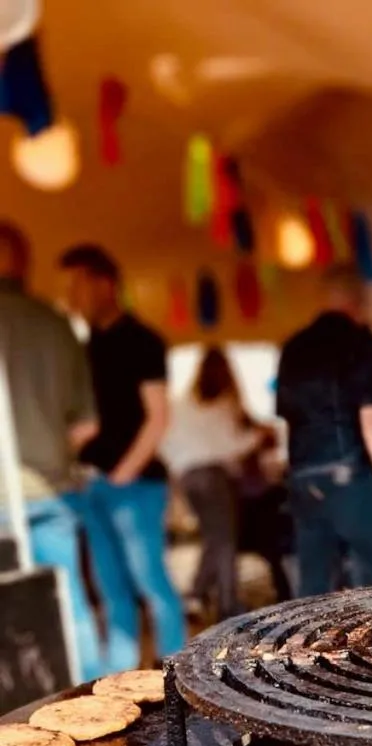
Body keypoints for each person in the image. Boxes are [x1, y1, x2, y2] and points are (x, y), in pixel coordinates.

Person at [58, 244, 185, 671]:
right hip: (91, 484)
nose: (71, 297)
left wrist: (122, 473)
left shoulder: (142, 340)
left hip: (135, 485)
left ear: (104, 284)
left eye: (77, 285)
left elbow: (158, 416)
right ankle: (117, 680)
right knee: (111, 591)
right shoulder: (83, 348)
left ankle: (174, 675)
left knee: (151, 584)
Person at [0, 222, 104, 682]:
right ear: (25, 263)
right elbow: (87, 424)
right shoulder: (56, 323)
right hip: (51, 491)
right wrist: (54, 452)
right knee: (71, 608)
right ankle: (96, 704)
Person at [276, 264, 372, 597]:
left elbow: (288, 419)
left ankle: (310, 634)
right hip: (349, 478)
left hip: (303, 481)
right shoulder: (361, 343)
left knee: (313, 588)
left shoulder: (292, 348)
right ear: (359, 302)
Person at [163, 346, 271, 620]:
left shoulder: (182, 405)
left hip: (188, 476)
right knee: (225, 541)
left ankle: (196, 595)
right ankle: (228, 604)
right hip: (215, 476)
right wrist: (258, 437)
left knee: (213, 538)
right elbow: (230, 446)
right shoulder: (224, 403)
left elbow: (166, 444)